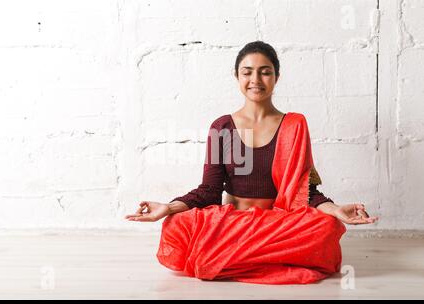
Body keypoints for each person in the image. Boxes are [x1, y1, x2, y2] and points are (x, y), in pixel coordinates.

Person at [125, 41, 379, 285]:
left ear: (276, 77)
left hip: (276, 223)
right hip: (233, 223)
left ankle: (232, 258)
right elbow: (209, 191)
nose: (255, 80)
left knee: (326, 227)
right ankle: (268, 257)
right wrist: (168, 208)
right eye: (247, 72)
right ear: (237, 76)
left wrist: (336, 210)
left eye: (265, 72)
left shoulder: (294, 125)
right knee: (176, 225)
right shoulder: (222, 127)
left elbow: (304, 192)